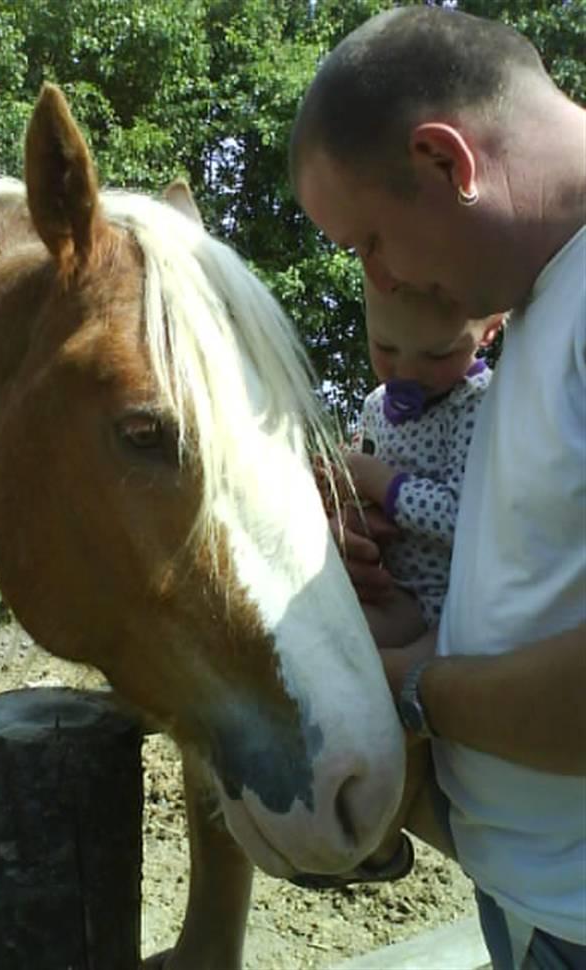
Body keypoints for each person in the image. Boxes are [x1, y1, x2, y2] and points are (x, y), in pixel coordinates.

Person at [290, 6, 586, 970]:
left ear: (445, 163)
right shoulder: (545, 297)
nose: (379, 277)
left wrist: (412, 683)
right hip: (527, 896)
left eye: (370, 239)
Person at [343, 279, 503, 650]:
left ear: (489, 330)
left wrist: (380, 482)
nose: (408, 372)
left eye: (437, 356)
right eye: (386, 347)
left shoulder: (476, 403)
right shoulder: (374, 405)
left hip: (436, 600)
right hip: (383, 576)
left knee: (339, 642)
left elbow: (464, 520)